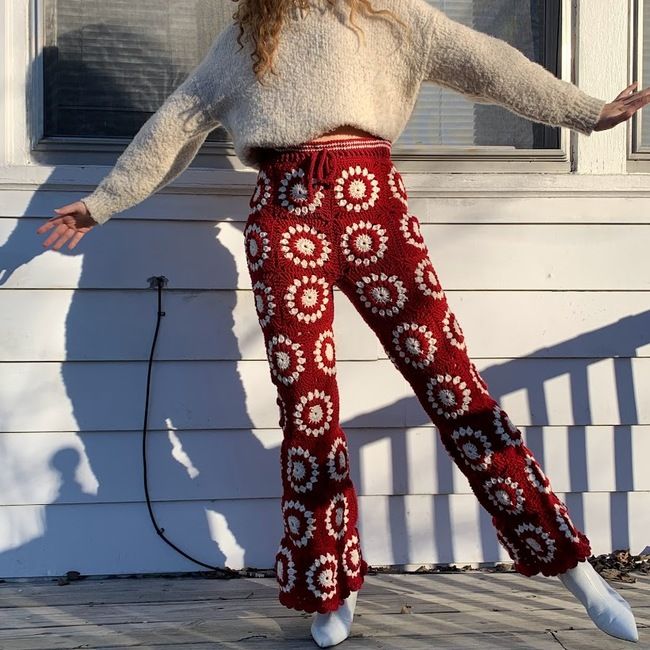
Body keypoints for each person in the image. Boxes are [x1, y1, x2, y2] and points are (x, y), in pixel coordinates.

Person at [37, 0, 647, 647]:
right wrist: (103, 202)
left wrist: (584, 112)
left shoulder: (397, 17)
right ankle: (328, 584)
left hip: (373, 206)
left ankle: (570, 564)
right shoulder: (249, 35)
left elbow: (489, 65)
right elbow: (176, 121)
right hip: (284, 214)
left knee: (454, 388)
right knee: (308, 409)